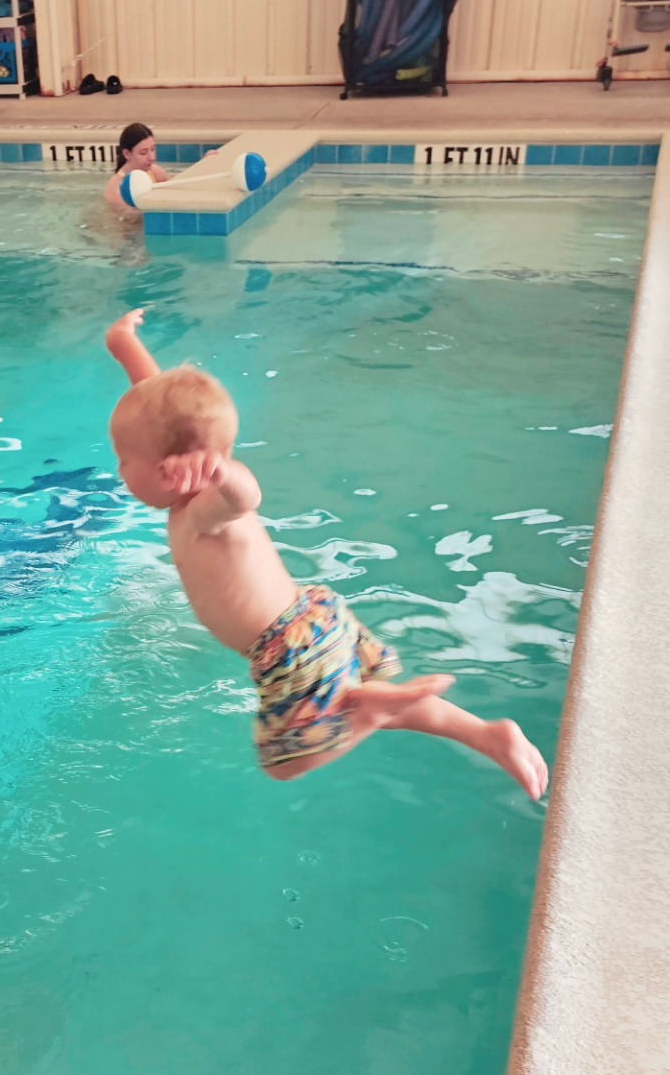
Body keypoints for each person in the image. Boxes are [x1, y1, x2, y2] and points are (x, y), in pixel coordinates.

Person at [103, 310, 549, 798]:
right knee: (374, 698)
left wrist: (221, 474)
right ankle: (484, 733)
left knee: (285, 763)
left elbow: (246, 497)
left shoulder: (202, 509)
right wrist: (123, 342)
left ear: (172, 469)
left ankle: (364, 714)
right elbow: (154, 394)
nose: (119, 468)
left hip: (287, 649)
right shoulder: (182, 473)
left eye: (124, 460)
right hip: (316, 615)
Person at [103, 122, 169, 212]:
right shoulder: (117, 189)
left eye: (153, 149)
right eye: (143, 153)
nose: (152, 157)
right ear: (127, 154)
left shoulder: (155, 172)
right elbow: (127, 221)